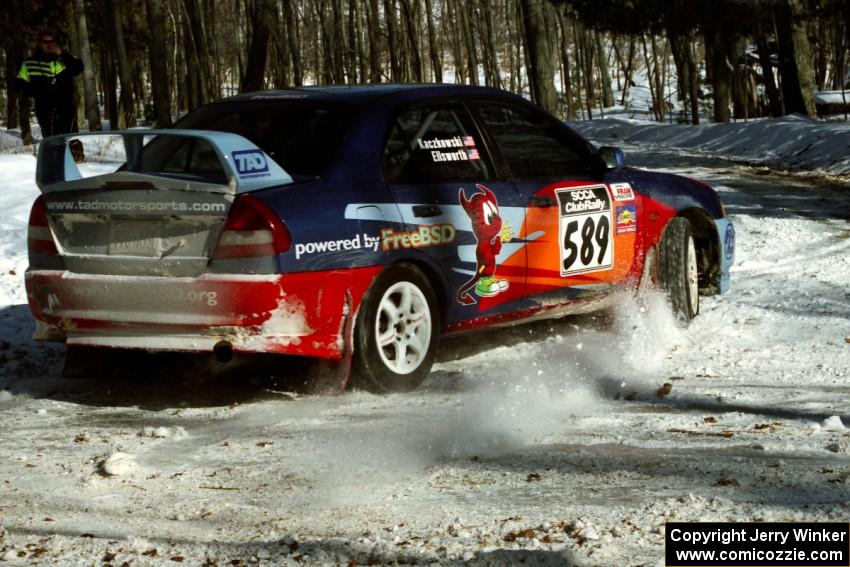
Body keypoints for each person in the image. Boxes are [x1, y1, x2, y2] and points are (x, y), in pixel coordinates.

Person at [16, 30, 84, 139]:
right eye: (45, 42)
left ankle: (76, 156)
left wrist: (61, 53)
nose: (49, 45)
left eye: (52, 41)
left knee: (72, 140)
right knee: (51, 141)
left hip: (66, 108)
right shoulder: (29, 63)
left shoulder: (65, 59)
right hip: (44, 109)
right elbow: (20, 85)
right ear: (39, 43)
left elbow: (79, 68)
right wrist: (38, 90)